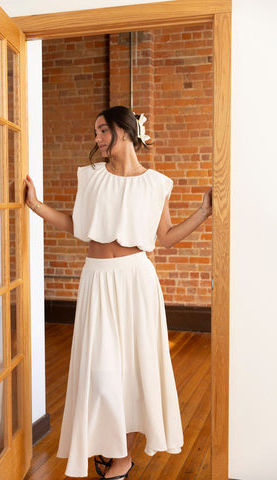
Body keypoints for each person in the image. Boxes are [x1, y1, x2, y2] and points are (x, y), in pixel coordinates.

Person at [25, 106, 212, 479]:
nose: (97, 139)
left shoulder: (157, 183)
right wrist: (36, 206)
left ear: (124, 131)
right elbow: (77, 223)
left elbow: (167, 238)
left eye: (102, 131)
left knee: (132, 369)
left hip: (136, 281)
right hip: (97, 278)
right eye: (96, 132)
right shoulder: (91, 176)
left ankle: (123, 456)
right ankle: (111, 447)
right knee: (101, 369)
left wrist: (203, 212)